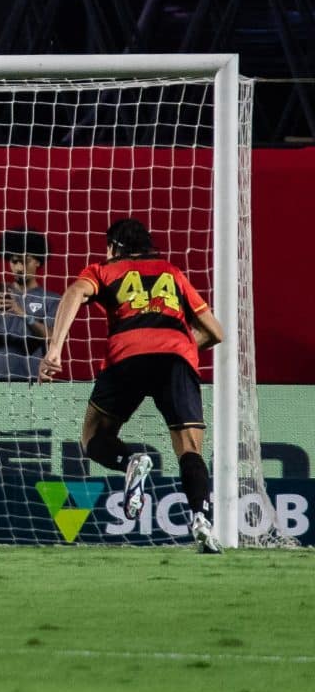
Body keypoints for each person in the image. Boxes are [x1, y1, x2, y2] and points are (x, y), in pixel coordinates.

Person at [38, 218, 229, 553]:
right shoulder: (171, 272)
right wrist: (179, 348)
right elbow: (215, 331)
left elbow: (74, 293)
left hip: (128, 354)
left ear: (114, 247)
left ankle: (129, 462)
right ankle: (201, 520)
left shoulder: (103, 270)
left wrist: (55, 348)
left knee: (93, 437)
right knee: (189, 448)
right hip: (176, 359)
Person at [0, 227, 60, 381]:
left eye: (25, 261)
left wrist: (22, 314)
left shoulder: (51, 299)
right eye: (14, 262)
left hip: (32, 380)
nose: (19, 268)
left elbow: (53, 338)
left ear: (38, 261)